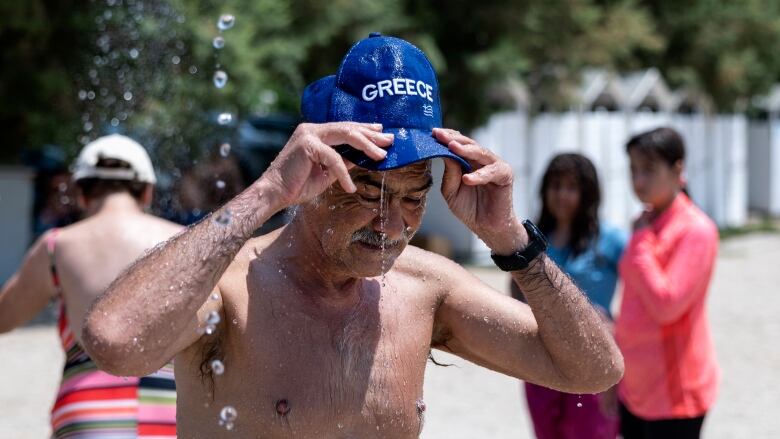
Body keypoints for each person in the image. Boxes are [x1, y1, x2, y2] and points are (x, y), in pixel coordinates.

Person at [83, 34, 623, 438]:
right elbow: (113, 341)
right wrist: (266, 192)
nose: (391, 226)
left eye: (413, 196)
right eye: (365, 190)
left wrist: (513, 241)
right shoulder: (233, 288)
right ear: (314, 175)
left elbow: (595, 371)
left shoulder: (425, 290)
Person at [0, 134, 180, 438]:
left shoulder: (57, 246)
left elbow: (5, 318)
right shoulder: (186, 241)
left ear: (82, 194)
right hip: (170, 405)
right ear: (147, 192)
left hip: (88, 408)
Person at [512, 153, 625, 439]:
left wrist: (619, 330)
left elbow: (640, 291)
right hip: (540, 357)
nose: (561, 194)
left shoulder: (610, 239)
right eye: (555, 185)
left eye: (571, 187)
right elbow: (516, 293)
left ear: (587, 194)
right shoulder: (532, 238)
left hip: (592, 355)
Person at [615, 127, 719, 439]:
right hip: (635, 386)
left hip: (674, 394)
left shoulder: (696, 230)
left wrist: (642, 241)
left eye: (648, 169)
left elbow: (666, 304)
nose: (638, 181)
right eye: (633, 170)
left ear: (677, 169)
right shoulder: (647, 221)